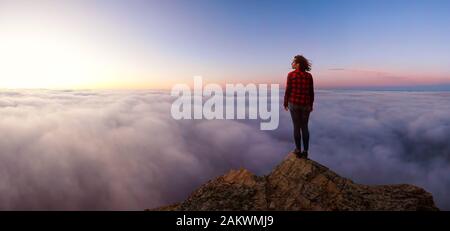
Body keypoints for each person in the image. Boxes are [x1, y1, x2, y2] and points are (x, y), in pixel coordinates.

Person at [283, 55, 314, 159]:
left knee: (296, 127)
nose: (292, 64)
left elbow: (288, 90)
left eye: (294, 62)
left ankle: (298, 150)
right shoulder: (309, 76)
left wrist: (285, 103)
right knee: (304, 127)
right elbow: (311, 92)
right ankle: (305, 151)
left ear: (298, 64)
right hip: (305, 105)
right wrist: (311, 105)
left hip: (294, 104)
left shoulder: (291, 75)